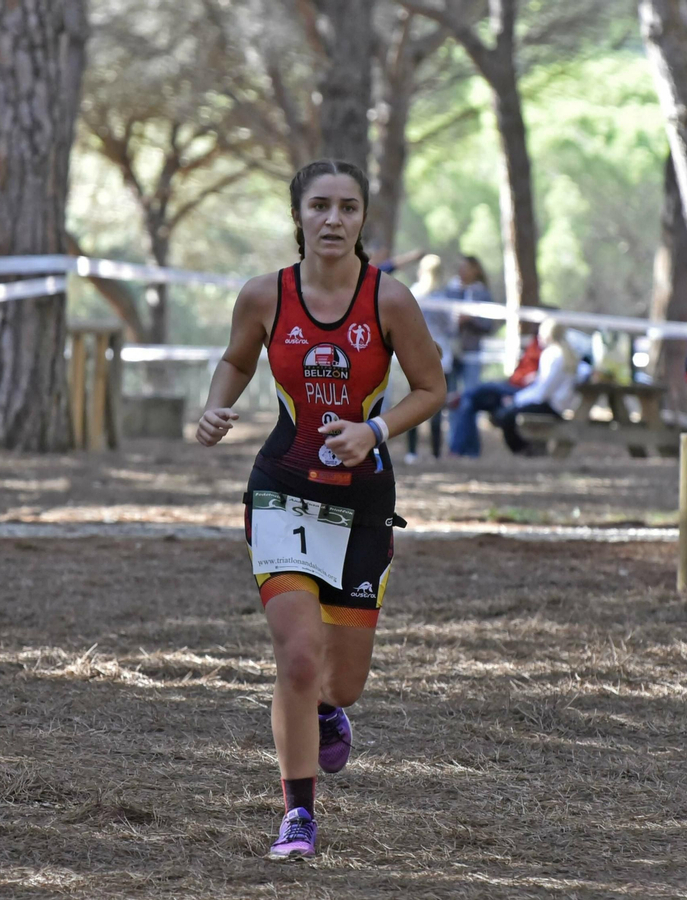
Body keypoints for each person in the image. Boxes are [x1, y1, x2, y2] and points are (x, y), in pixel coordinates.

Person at [196, 159, 446, 861]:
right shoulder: (264, 295)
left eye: (348, 207)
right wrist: (215, 406)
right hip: (282, 489)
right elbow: (237, 360)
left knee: (341, 681)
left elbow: (431, 388)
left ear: (362, 219)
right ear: (298, 215)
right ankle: (298, 816)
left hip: (362, 502)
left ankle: (331, 710)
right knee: (298, 658)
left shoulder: (389, 299)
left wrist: (375, 430)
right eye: (319, 206)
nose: (333, 219)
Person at [492, 319, 579, 455]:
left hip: (550, 405)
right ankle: (531, 448)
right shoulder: (569, 354)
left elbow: (543, 392)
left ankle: (523, 450)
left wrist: (517, 399)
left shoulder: (552, 355)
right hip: (559, 405)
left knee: (505, 415)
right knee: (508, 411)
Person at [404, 254, 454, 463]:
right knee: (437, 405)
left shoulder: (412, 294)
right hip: (441, 356)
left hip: (415, 355)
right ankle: (435, 453)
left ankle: (411, 452)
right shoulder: (443, 298)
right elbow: (450, 327)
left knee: (412, 404)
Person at [448, 255, 499, 392]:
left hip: (472, 352)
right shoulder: (451, 290)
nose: (462, 271)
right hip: (450, 351)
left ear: (475, 270)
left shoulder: (483, 294)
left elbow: (488, 325)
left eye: (465, 267)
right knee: (449, 392)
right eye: (460, 267)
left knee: (470, 392)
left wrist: (471, 319)